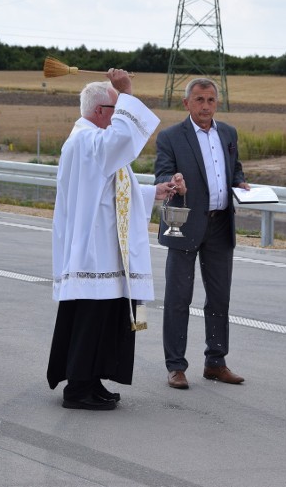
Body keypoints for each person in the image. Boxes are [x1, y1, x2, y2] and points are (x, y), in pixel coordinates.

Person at [47, 68, 186, 411]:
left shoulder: (94, 144)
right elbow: (122, 141)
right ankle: (77, 388)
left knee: (106, 318)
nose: (118, 116)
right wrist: (126, 92)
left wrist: (155, 191)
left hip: (106, 249)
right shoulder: (86, 140)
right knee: (90, 319)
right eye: (115, 110)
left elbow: (115, 190)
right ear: (99, 112)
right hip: (93, 251)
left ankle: (92, 380)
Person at [155, 77, 250, 390]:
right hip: (183, 223)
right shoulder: (170, 137)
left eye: (210, 100)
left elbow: (234, 170)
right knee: (179, 298)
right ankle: (176, 366)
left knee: (219, 297)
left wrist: (241, 184)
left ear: (217, 103)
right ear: (186, 103)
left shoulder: (228, 133)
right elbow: (163, 173)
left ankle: (216, 362)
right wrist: (174, 181)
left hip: (221, 224)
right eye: (199, 100)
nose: (206, 106)